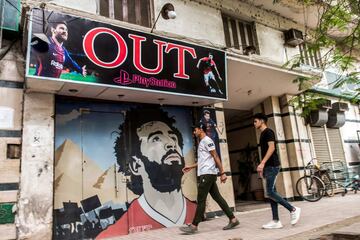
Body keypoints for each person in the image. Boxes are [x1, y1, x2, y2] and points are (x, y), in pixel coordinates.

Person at [96, 107, 196, 239]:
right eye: (156, 139)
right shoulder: (110, 235)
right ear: (135, 165)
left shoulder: (196, 211)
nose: (171, 143)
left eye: (173, 137)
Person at [179, 124, 239, 234]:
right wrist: (191, 167)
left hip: (207, 174)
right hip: (207, 173)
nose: (194, 132)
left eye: (195, 130)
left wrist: (222, 172)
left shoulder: (207, 140)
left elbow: (215, 156)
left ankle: (194, 226)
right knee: (218, 197)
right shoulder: (202, 142)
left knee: (201, 199)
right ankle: (233, 219)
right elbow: (204, 161)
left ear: (201, 129)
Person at [253, 113, 301, 229]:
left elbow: (272, 148)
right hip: (268, 167)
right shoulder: (263, 134)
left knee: (270, 192)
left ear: (262, 121)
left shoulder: (268, 132)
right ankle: (276, 221)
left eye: (255, 121)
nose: (254, 123)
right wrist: (263, 166)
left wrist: (263, 163)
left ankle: (293, 209)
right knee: (271, 193)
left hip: (272, 166)